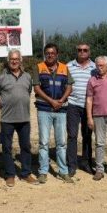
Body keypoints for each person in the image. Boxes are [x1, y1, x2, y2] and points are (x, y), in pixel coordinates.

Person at [0, 49, 36, 186]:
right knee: (7, 148)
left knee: (25, 147)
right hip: (7, 119)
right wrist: (3, 105)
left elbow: (28, 91)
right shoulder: (0, 78)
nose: (14, 61)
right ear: (8, 60)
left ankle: (26, 173)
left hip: (24, 119)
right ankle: (10, 175)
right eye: (12, 59)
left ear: (20, 60)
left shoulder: (28, 77)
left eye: (16, 59)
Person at [32, 43, 73, 184]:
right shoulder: (38, 67)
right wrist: (51, 101)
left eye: (52, 53)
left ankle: (63, 171)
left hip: (61, 110)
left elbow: (69, 87)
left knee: (61, 143)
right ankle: (43, 172)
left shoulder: (64, 68)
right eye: (47, 53)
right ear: (45, 54)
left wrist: (60, 101)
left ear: (57, 54)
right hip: (44, 110)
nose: (50, 55)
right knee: (43, 143)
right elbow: (37, 89)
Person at [66, 43, 96, 176]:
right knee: (72, 135)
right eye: (79, 50)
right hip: (72, 104)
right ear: (76, 51)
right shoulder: (68, 66)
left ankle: (86, 163)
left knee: (87, 135)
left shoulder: (95, 67)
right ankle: (72, 164)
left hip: (89, 107)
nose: (82, 52)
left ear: (89, 52)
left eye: (85, 50)